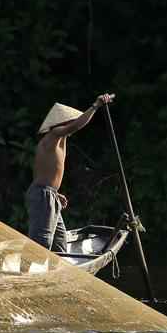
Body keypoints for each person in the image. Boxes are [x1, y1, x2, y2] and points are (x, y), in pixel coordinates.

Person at [26, 93, 115, 252]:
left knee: (60, 243)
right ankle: (30, 267)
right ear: (62, 122)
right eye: (69, 121)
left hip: (50, 195)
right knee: (41, 243)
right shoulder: (53, 135)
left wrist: (55, 193)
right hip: (43, 196)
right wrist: (95, 106)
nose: (72, 123)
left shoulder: (61, 140)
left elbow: (44, 171)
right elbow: (75, 126)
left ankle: (60, 267)